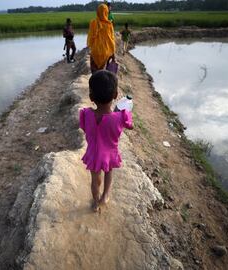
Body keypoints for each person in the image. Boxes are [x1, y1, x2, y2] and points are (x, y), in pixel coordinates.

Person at [79, 70, 133, 212]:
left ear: (91, 96)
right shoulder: (121, 117)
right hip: (110, 153)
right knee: (109, 172)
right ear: (115, 95)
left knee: (95, 181)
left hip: (93, 154)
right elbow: (130, 125)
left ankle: (96, 202)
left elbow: (85, 129)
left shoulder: (85, 114)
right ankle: (105, 196)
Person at [87, 3, 116, 73]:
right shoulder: (109, 25)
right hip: (106, 53)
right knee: (103, 75)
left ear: (98, 12)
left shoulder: (93, 23)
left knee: (95, 74)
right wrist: (113, 54)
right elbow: (111, 40)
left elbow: (90, 38)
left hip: (95, 52)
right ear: (106, 12)